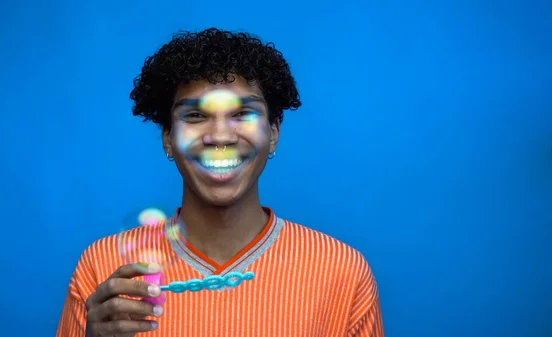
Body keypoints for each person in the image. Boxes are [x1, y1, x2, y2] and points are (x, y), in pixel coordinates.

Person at [56, 28, 384, 337]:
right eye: (196, 116)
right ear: (168, 137)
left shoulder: (343, 271)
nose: (220, 137)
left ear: (273, 133)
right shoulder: (103, 267)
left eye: (242, 113)